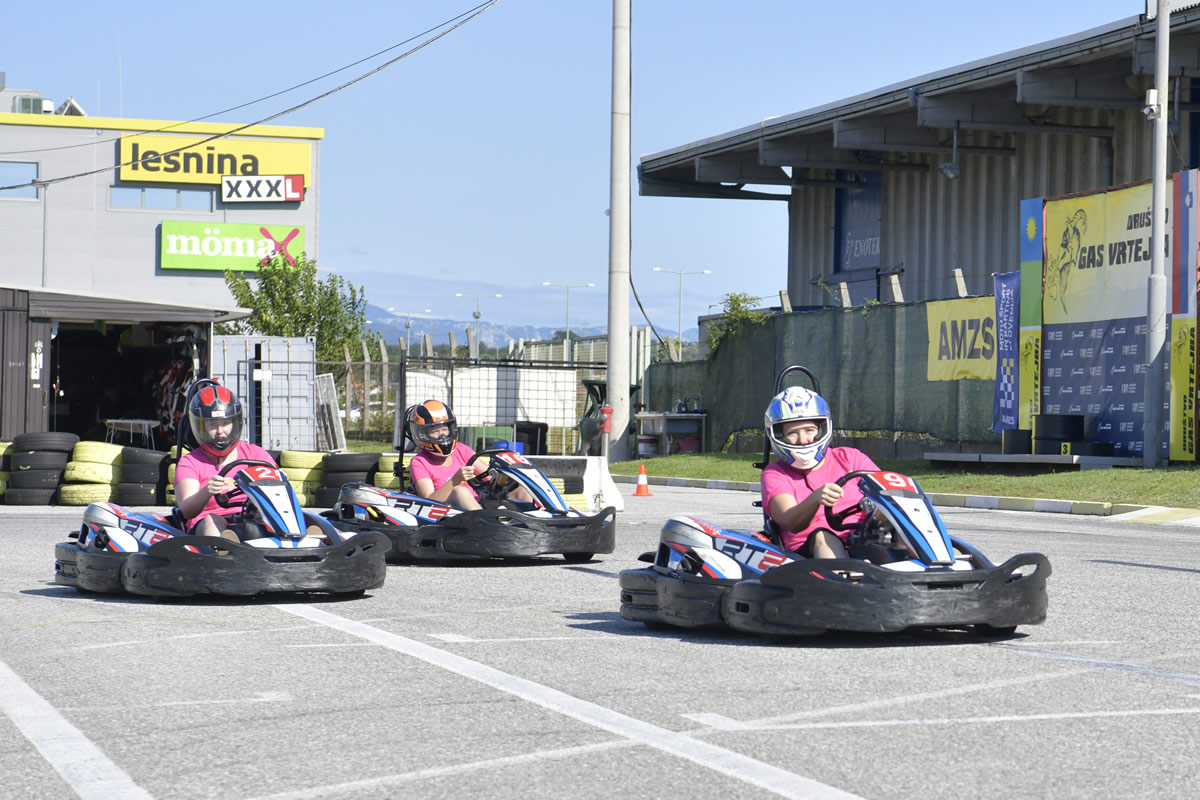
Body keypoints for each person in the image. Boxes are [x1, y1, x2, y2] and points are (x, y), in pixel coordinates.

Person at [760, 386, 879, 558]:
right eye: (792, 433)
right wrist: (815, 499)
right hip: (808, 554)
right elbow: (790, 521)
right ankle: (838, 574)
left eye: (809, 430)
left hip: (862, 538)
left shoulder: (850, 458)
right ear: (779, 436)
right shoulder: (776, 473)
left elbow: (886, 491)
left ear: (821, 428)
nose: (803, 440)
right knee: (822, 535)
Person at [173, 382, 278, 538]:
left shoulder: (255, 454)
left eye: (225, 423)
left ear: (235, 423)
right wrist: (207, 491)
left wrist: (280, 480)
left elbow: (276, 491)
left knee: (298, 517)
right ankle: (222, 548)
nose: (220, 431)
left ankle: (304, 542)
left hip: (251, 521)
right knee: (213, 521)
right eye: (212, 424)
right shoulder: (190, 462)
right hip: (209, 525)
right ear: (200, 426)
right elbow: (187, 511)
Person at [407, 400, 531, 509]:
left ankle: (536, 523)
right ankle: (485, 523)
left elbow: (490, 476)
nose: (442, 435)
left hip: (478, 504)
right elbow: (428, 500)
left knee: (524, 492)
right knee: (460, 491)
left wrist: (507, 467)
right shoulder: (419, 462)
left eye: (444, 429)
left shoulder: (461, 449)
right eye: (435, 431)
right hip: (449, 511)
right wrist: (455, 480)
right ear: (423, 434)